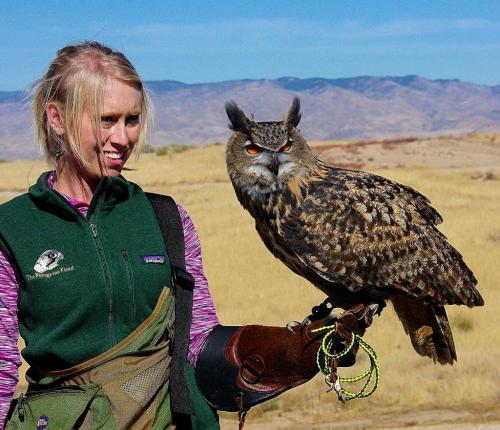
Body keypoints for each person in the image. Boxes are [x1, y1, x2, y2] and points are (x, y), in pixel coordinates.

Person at [0, 42, 372, 429]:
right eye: (106, 120)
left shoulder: (166, 218)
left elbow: (198, 341)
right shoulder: (13, 230)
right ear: (57, 118)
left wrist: (292, 351)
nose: (124, 138)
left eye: (132, 119)